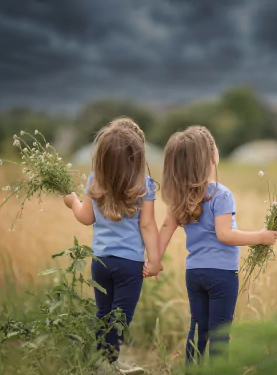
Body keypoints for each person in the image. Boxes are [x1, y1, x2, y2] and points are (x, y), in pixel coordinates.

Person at [144, 125, 277, 363]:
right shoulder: (221, 194)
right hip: (222, 275)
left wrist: (154, 261)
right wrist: (260, 237)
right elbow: (225, 235)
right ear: (210, 157)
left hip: (194, 273)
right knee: (219, 334)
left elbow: (165, 228)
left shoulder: (180, 196)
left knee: (197, 330)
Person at [64, 117, 162, 374]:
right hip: (129, 264)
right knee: (119, 317)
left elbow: (86, 217)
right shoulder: (144, 186)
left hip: (100, 263)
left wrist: (73, 201)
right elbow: (148, 225)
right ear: (138, 157)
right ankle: (106, 363)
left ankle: (106, 361)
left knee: (104, 313)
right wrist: (155, 260)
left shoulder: (95, 180)